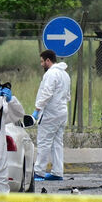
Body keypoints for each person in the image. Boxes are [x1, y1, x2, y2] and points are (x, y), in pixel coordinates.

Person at [32, 49, 71, 181]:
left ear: (48, 60)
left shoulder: (51, 74)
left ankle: (39, 172)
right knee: (57, 143)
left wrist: (37, 109)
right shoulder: (65, 74)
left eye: (42, 61)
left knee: (44, 142)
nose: (41, 64)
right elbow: (67, 96)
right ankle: (57, 172)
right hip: (62, 112)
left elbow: (46, 93)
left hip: (50, 113)